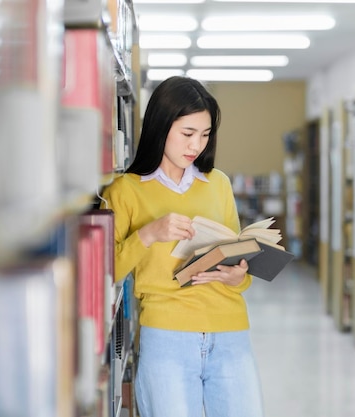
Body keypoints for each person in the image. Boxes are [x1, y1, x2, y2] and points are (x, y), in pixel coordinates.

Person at [101, 76, 265, 417]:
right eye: (188, 134)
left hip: (230, 333)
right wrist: (147, 234)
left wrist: (238, 278)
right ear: (161, 126)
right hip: (167, 337)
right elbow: (106, 273)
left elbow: (239, 264)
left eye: (205, 135)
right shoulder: (125, 191)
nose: (196, 146)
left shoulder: (217, 183)